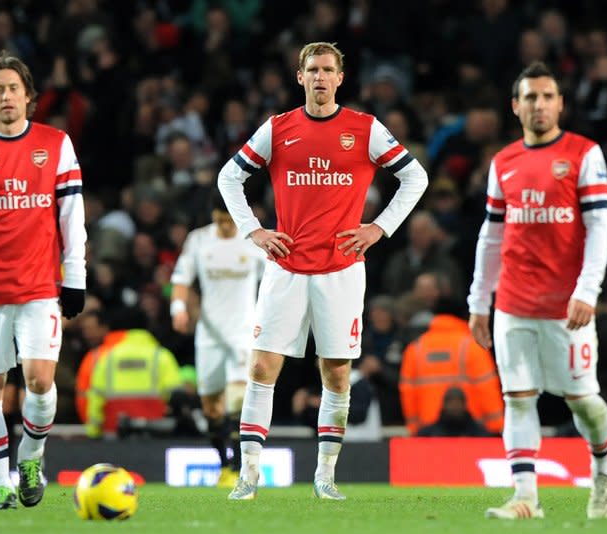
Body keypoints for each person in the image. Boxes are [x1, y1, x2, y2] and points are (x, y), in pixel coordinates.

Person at [217, 42, 428, 500]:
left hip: (342, 269)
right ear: (300, 77)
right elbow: (228, 177)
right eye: (312, 69)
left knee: (335, 374)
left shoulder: (365, 129)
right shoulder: (277, 129)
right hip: (285, 266)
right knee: (261, 365)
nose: (319, 77)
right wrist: (254, 230)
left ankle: (325, 477)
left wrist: (380, 227)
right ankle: (248, 476)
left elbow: (416, 176)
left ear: (339, 78)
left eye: (327, 70)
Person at [467, 62, 607, 520]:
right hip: (513, 301)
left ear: (560, 104)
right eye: (530, 97)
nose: (540, 105)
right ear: (516, 107)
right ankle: (526, 497)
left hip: (565, 306)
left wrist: (587, 289)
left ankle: (604, 469)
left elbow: (600, 225)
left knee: (583, 402)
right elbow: (491, 236)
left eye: (548, 96)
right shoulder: (503, 162)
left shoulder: (583, 154)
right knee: (518, 397)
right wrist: (479, 301)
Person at [0, 51, 87, 510]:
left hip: (39, 288)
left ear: (29, 96)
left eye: (14, 88)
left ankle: (31, 457)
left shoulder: (56, 143)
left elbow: (71, 215)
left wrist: (76, 275)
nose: (7, 96)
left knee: (40, 382)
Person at [170, 195, 265, 488]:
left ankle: (239, 470)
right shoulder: (198, 240)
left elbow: (274, 279)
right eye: (219, 219)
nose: (225, 225)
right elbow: (181, 280)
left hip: (243, 333)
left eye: (229, 220)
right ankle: (223, 465)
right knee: (211, 408)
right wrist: (178, 309)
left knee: (237, 402)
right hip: (209, 335)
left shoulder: (253, 239)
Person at [399, 298, 503, 436]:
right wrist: (496, 426)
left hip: (428, 433)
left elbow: (407, 392)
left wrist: (413, 428)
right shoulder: (473, 348)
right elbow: (487, 389)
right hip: (471, 433)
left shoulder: (415, 349)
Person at [416, 386, 491, 437]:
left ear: (464, 404)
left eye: (458, 401)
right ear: (444, 404)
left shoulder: (479, 434)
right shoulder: (427, 435)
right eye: (450, 401)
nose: (455, 405)